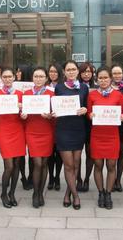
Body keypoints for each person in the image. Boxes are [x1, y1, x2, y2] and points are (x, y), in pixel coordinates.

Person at [53, 60, 89, 210]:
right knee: (68, 165)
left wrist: (85, 110)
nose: (71, 72)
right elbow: (55, 105)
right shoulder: (59, 88)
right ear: (64, 72)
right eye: (68, 69)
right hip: (63, 129)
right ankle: (76, 196)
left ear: (77, 71)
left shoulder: (84, 88)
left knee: (75, 164)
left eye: (74, 69)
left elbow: (87, 105)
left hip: (78, 129)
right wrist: (54, 112)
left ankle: (68, 193)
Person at [87, 66, 123, 210]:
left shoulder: (118, 95)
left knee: (111, 165)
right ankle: (101, 192)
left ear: (110, 79)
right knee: (98, 165)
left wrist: (122, 117)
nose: (103, 81)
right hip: (97, 135)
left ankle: (108, 193)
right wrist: (89, 115)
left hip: (112, 135)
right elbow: (89, 112)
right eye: (100, 78)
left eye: (105, 78)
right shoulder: (92, 95)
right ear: (97, 80)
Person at [0, 67, 25, 208]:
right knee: (9, 165)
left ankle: (12, 193)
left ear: (14, 77)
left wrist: (23, 111)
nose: (8, 79)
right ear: (1, 78)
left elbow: (25, 115)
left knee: (17, 164)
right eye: (5, 77)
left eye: (10, 76)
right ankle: (3, 193)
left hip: (18, 131)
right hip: (4, 131)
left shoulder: (20, 94)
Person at [21, 67, 55, 208]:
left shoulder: (52, 94)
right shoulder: (26, 94)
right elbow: (22, 114)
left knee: (45, 163)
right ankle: (35, 193)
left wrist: (50, 116)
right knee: (37, 163)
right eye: (36, 76)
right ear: (32, 78)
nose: (39, 79)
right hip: (32, 132)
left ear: (46, 78)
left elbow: (56, 114)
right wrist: (22, 115)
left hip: (47, 131)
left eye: (41, 76)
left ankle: (41, 192)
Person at [110, 64, 123, 192]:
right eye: (114, 73)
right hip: (110, 124)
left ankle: (118, 180)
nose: (117, 76)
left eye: (119, 73)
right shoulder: (106, 87)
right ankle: (111, 180)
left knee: (121, 153)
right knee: (112, 155)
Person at [77, 62, 95, 192]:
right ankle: (78, 179)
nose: (86, 74)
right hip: (78, 123)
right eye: (84, 72)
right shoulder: (75, 86)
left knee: (90, 154)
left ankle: (87, 179)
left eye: (89, 72)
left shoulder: (98, 86)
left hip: (92, 125)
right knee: (77, 155)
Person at [46, 63, 63, 191]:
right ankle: (51, 177)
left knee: (59, 153)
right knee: (50, 153)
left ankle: (57, 177)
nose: (53, 74)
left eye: (55, 72)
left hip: (61, 123)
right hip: (48, 123)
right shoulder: (44, 87)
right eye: (51, 71)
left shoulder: (63, 87)